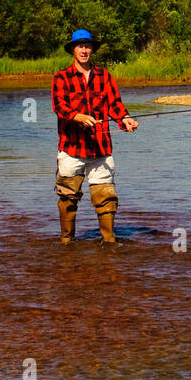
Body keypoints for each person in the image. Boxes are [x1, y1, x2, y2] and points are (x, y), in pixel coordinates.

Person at [50, 29, 138, 244]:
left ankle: (110, 243)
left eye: (87, 46)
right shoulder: (61, 77)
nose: (84, 50)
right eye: (80, 46)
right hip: (71, 148)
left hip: (101, 148)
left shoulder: (104, 76)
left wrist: (125, 119)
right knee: (67, 198)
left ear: (92, 50)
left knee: (106, 196)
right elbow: (59, 106)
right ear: (73, 49)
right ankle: (66, 242)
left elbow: (115, 104)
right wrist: (77, 116)